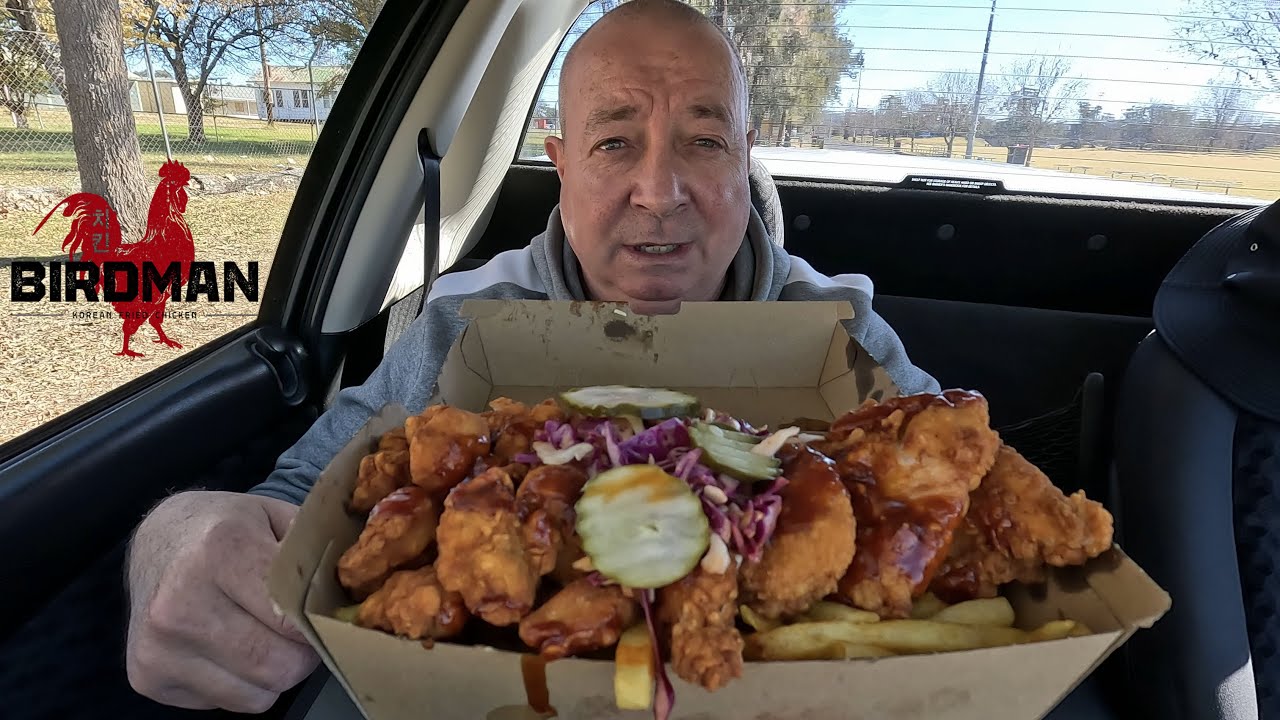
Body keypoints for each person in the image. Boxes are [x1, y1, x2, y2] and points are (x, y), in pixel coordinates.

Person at [123, 0, 940, 713]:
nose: (660, 191)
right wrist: (175, 536)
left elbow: (948, 499)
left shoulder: (842, 331)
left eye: (704, 139)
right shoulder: (465, 320)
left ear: (744, 157)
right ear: (561, 166)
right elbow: (300, 500)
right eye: (614, 143)